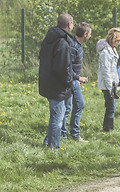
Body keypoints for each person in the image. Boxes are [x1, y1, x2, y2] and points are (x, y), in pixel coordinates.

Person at [39, 13, 74, 150]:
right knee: (57, 119)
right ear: (69, 25)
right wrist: (69, 82)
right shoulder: (62, 42)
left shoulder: (49, 38)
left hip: (47, 81)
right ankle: (54, 148)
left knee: (55, 115)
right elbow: (62, 67)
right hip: (57, 85)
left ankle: (48, 142)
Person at [61, 22, 92, 143]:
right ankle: (69, 134)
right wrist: (78, 78)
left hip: (73, 80)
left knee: (72, 107)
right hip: (70, 81)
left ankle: (69, 134)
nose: (90, 36)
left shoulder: (78, 45)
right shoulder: (73, 46)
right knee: (71, 107)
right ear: (85, 34)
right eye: (89, 34)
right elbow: (67, 68)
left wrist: (78, 78)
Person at [97, 28, 120, 132]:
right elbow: (106, 72)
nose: (119, 43)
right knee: (111, 107)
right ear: (112, 39)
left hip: (113, 83)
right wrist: (111, 89)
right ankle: (108, 129)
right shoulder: (105, 53)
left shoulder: (112, 49)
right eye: (118, 40)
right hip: (108, 84)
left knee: (111, 107)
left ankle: (107, 127)